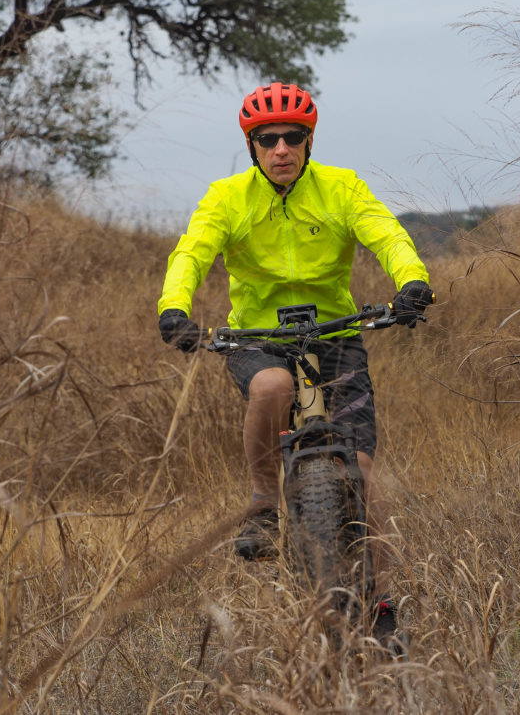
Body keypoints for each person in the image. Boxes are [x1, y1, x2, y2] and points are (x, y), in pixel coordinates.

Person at [157, 82, 433, 653]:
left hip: (334, 336)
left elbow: (386, 233)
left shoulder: (341, 188)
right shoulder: (227, 197)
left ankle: (381, 607)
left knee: (362, 470)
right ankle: (264, 503)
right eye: (267, 139)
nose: (281, 149)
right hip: (258, 338)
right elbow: (193, 250)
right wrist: (174, 308)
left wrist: (412, 281)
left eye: (293, 138)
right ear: (252, 145)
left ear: (309, 141)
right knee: (273, 384)